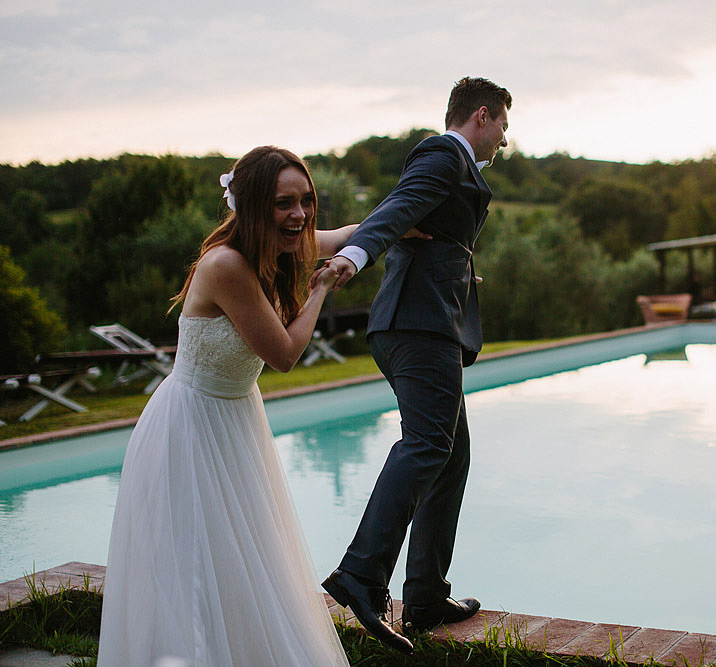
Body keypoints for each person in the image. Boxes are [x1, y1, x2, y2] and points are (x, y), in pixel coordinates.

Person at [97, 146, 360, 667]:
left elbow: (336, 237)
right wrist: (321, 289)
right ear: (255, 207)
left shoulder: (274, 249)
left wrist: (405, 220)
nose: (300, 215)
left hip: (236, 419)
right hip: (192, 427)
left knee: (243, 559)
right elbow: (283, 354)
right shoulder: (227, 265)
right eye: (285, 203)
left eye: (306, 201)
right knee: (197, 567)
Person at [319, 77, 511, 654]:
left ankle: (426, 596)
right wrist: (353, 256)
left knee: (451, 454)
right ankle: (360, 575)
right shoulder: (443, 152)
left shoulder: (456, 168)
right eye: (503, 124)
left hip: (428, 322)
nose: (504, 138)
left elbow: (422, 222)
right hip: (417, 324)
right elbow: (396, 208)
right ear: (482, 115)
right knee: (428, 444)